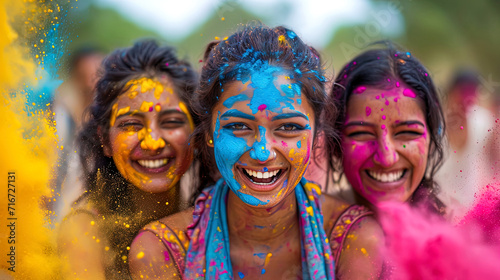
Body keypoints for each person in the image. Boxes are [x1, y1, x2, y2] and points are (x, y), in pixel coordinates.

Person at [128, 24, 373, 280]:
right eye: (238, 126)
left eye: (289, 127)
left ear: (316, 133)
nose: (262, 152)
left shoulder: (353, 238)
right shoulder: (160, 251)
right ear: (209, 133)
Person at [57, 40, 198, 279]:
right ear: (106, 142)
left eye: (171, 122)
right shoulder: (85, 231)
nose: (152, 142)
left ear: (196, 132)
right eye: (131, 124)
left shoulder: (212, 213)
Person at [324, 45, 447, 278]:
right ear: (337, 145)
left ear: (431, 140)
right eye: (362, 134)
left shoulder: (456, 230)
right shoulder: (311, 230)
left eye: (407, 133)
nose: (386, 157)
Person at [436, 69, 497, 221]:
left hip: (468, 211)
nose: (465, 104)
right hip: (434, 208)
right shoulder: (433, 125)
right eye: (461, 97)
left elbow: (494, 156)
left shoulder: (482, 122)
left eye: (471, 99)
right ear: (450, 94)